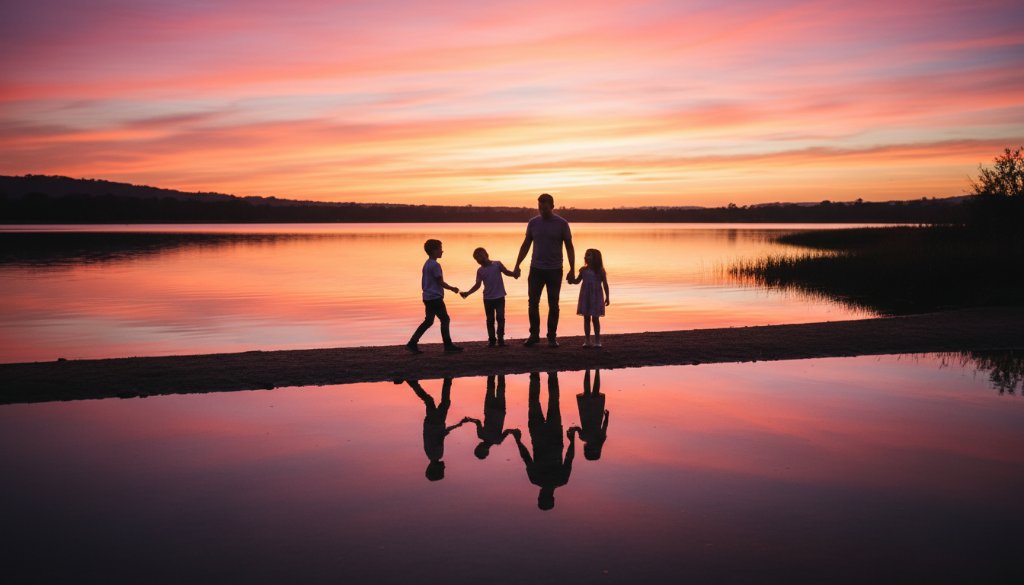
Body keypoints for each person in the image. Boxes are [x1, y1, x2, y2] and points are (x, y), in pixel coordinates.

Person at [513, 193, 575, 347]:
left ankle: (552, 337)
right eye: (540, 207)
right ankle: (534, 335)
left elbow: (569, 247)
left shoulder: (562, 223)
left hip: (555, 270)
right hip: (536, 270)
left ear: (552, 206)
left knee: (553, 304)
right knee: (533, 303)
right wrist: (517, 264)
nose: (542, 210)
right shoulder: (533, 223)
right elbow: (526, 244)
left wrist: (572, 269)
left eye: (545, 208)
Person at [511, 372, 579, 510]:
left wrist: (572, 441)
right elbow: (526, 457)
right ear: (541, 496)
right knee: (534, 402)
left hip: (554, 435)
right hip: (538, 435)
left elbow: (569, 457)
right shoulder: (536, 479)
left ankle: (552, 374)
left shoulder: (561, 480)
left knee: (553, 401)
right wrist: (518, 441)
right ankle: (535, 374)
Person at [403, 378, 469, 481]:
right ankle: (413, 384)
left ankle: (447, 380)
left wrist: (458, 425)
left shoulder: (437, 454)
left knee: (444, 403)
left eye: (442, 470)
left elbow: (441, 435)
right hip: (430, 423)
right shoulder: (429, 455)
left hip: (437, 423)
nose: (444, 468)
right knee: (429, 401)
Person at [407, 239, 463, 353]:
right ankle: (448, 346)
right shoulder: (435, 265)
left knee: (429, 321)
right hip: (435, 298)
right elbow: (440, 282)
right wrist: (452, 288)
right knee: (445, 319)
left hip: (427, 297)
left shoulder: (427, 263)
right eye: (440, 249)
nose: (442, 251)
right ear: (434, 251)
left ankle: (412, 343)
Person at [460, 247, 515, 347]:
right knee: (490, 320)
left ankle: (501, 339)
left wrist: (514, 274)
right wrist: (468, 293)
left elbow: (506, 272)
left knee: (500, 318)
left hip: (500, 297)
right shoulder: (480, 271)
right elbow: (477, 285)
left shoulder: (497, 264)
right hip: (488, 299)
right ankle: (492, 340)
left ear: (486, 254)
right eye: (477, 258)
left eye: (481, 255)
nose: (480, 258)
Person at [461, 374, 518, 460]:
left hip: (499, 411)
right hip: (490, 409)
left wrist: (514, 431)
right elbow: (478, 422)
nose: (477, 445)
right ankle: (493, 371)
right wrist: (470, 420)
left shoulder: (498, 440)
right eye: (478, 448)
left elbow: (507, 431)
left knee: (500, 390)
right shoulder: (481, 435)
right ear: (483, 450)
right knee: (491, 388)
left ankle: (501, 371)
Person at [567, 248, 610, 347]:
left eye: (589, 255)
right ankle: (587, 340)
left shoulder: (600, 271)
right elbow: (577, 281)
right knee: (586, 318)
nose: (586, 256)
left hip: (596, 296)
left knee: (595, 318)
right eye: (586, 255)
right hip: (585, 296)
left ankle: (597, 340)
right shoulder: (583, 270)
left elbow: (605, 284)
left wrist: (607, 297)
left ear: (596, 258)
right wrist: (571, 280)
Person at [576, 369, 609, 461]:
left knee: (596, 392)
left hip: (596, 414)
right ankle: (588, 370)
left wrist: (606, 416)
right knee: (587, 392)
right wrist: (575, 430)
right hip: (586, 412)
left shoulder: (600, 438)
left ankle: (596, 371)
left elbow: (604, 426)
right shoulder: (583, 437)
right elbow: (578, 428)